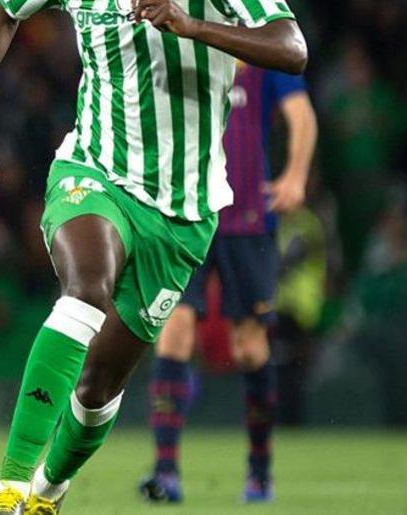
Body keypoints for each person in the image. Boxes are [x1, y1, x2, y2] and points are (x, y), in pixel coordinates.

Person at [0, 0, 308, 515]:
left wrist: (191, 24)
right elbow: (2, 9)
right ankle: (6, 490)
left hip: (185, 209)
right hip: (95, 170)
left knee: (98, 383)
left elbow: (292, 46)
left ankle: (46, 496)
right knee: (85, 290)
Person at [139, 62, 317, 504]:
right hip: (186, 212)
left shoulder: (264, 48)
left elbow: (302, 115)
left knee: (250, 348)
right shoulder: (187, 41)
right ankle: (166, 472)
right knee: (175, 330)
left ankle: (259, 471)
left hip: (249, 220)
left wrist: (295, 175)